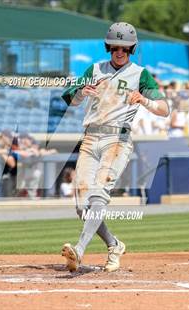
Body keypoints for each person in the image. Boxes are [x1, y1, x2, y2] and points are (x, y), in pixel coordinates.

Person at [60, 22, 170, 272]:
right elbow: (70, 98)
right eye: (115, 47)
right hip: (89, 138)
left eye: (125, 48)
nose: (120, 52)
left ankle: (79, 249)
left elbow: (165, 109)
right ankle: (114, 244)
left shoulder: (140, 74)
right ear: (108, 46)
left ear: (132, 49)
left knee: (99, 194)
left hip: (117, 140)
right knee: (81, 207)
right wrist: (82, 91)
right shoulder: (95, 69)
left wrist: (144, 100)